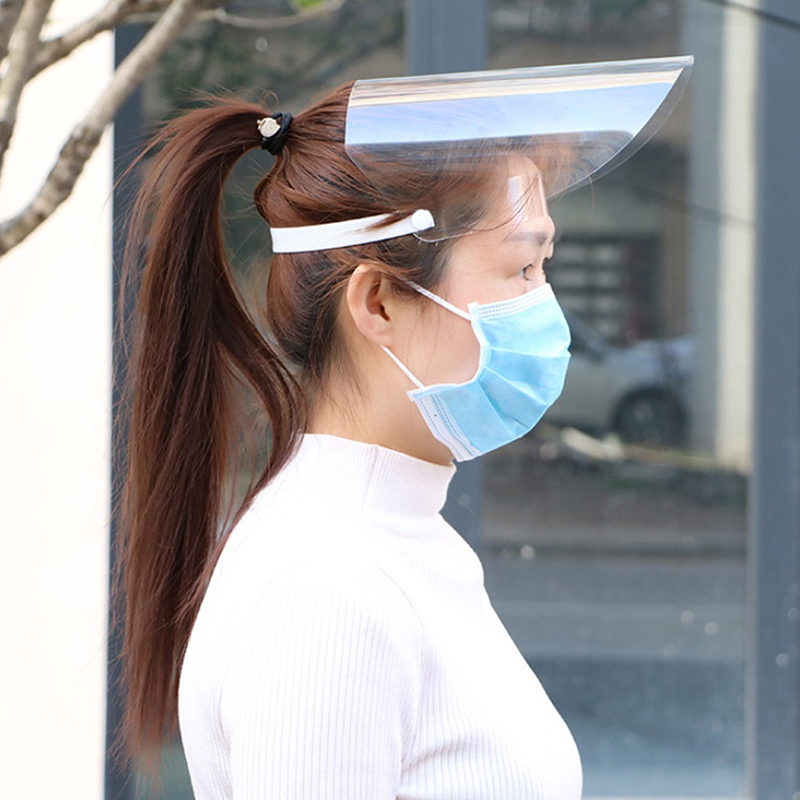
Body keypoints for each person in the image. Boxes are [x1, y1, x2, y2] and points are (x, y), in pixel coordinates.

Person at [114, 59, 692, 799]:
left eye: (545, 266)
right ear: (379, 303)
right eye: (522, 269)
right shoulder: (325, 589)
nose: (544, 306)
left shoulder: (391, 539)